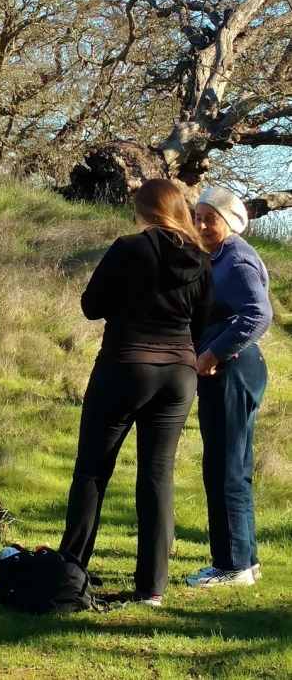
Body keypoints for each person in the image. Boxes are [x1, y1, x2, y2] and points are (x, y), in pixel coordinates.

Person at [59, 179, 212, 607]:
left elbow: (91, 305)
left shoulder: (128, 248)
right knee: (157, 474)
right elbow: (203, 323)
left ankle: (71, 569)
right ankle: (153, 588)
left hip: (127, 363)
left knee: (93, 468)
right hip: (179, 372)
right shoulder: (201, 257)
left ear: (146, 210)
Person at [186, 186, 273, 588]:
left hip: (233, 370)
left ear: (231, 221)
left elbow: (257, 315)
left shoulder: (236, 259)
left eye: (210, 218)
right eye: (198, 216)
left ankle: (232, 565)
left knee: (225, 467)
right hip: (230, 370)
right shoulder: (217, 257)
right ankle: (245, 559)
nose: (202, 224)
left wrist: (212, 354)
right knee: (230, 465)